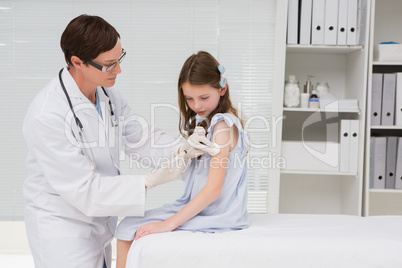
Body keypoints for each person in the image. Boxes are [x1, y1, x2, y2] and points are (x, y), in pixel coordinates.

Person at [22, 15, 217, 268]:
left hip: (101, 223)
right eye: (109, 64)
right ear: (77, 62)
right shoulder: (47, 115)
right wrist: (148, 182)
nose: (119, 70)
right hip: (63, 228)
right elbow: (85, 190)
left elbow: (140, 137)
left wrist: (183, 149)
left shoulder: (107, 94)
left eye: (120, 58)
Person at [115, 51, 250, 268]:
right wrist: (184, 153)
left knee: (127, 227)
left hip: (217, 212)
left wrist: (168, 224)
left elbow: (214, 189)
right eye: (189, 98)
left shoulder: (222, 126)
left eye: (204, 97)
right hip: (211, 207)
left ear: (222, 89)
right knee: (129, 224)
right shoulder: (207, 122)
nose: (196, 105)